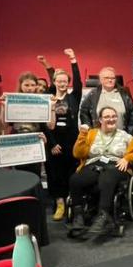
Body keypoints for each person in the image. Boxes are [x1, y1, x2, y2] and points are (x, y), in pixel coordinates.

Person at [69, 107, 133, 235]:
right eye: (107, 117)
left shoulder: (125, 136)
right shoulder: (91, 134)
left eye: (114, 116)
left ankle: (104, 215)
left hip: (116, 165)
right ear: (100, 119)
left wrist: (127, 158)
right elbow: (77, 153)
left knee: (107, 177)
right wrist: (82, 135)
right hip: (94, 164)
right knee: (75, 179)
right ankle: (78, 215)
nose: (111, 119)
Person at [44, 49, 83, 220]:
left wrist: (73, 60)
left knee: (71, 173)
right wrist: (51, 144)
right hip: (53, 142)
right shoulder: (47, 97)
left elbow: (79, 81)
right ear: (53, 82)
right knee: (55, 174)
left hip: (71, 142)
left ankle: (71, 202)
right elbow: (44, 124)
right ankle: (59, 204)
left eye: (65, 81)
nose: (62, 83)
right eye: (59, 81)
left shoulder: (74, 96)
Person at [0, 72, 54, 179]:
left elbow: (51, 126)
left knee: (34, 176)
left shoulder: (42, 101)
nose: (30, 88)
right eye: (26, 85)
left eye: (33, 85)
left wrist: (52, 107)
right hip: (17, 142)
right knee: (17, 177)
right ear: (20, 85)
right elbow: (3, 125)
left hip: (35, 143)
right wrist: (3, 107)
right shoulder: (12, 100)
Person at [79, 66, 133, 135]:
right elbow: (83, 112)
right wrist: (90, 131)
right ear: (101, 79)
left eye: (113, 78)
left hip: (121, 137)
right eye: (107, 78)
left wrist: (130, 134)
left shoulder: (124, 93)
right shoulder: (93, 94)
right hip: (99, 138)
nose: (110, 80)